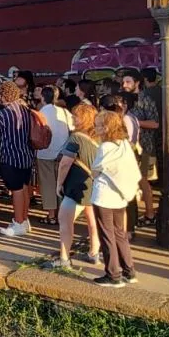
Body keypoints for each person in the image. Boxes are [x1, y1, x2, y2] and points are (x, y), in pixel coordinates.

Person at [44, 104, 101, 269]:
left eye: (76, 116)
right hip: (94, 184)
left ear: (82, 119)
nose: (72, 118)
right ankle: (94, 252)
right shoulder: (99, 137)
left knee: (64, 220)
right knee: (93, 221)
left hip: (76, 186)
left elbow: (65, 163)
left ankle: (64, 258)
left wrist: (59, 184)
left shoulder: (76, 138)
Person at [90, 110, 140, 287]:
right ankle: (129, 270)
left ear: (106, 128)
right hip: (121, 195)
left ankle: (113, 274)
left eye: (98, 125)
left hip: (104, 195)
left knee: (107, 234)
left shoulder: (105, 147)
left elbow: (95, 170)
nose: (95, 128)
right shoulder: (124, 144)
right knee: (120, 233)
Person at [0, 81, 34, 238]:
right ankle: (24, 220)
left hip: (10, 156)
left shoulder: (3, 114)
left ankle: (17, 222)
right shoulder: (26, 110)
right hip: (26, 155)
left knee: (16, 190)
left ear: (4, 95)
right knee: (23, 188)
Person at [122, 71, 158, 225]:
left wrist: (133, 122)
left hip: (144, 146)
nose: (124, 85)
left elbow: (155, 123)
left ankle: (150, 213)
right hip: (128, 147)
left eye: (128, 82)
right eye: (123, 82)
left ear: (137, 83)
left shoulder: (145, 99)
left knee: (143, 180)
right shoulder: (124, 99)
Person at [36, 86, 73, 226]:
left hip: (44, 152)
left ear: (43, 97)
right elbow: (72, 129)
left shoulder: (40, 113)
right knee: (61, 183)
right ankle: (62, 214)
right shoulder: (64, 112)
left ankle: (51, 215)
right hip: (62, 153)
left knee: (47, 184)